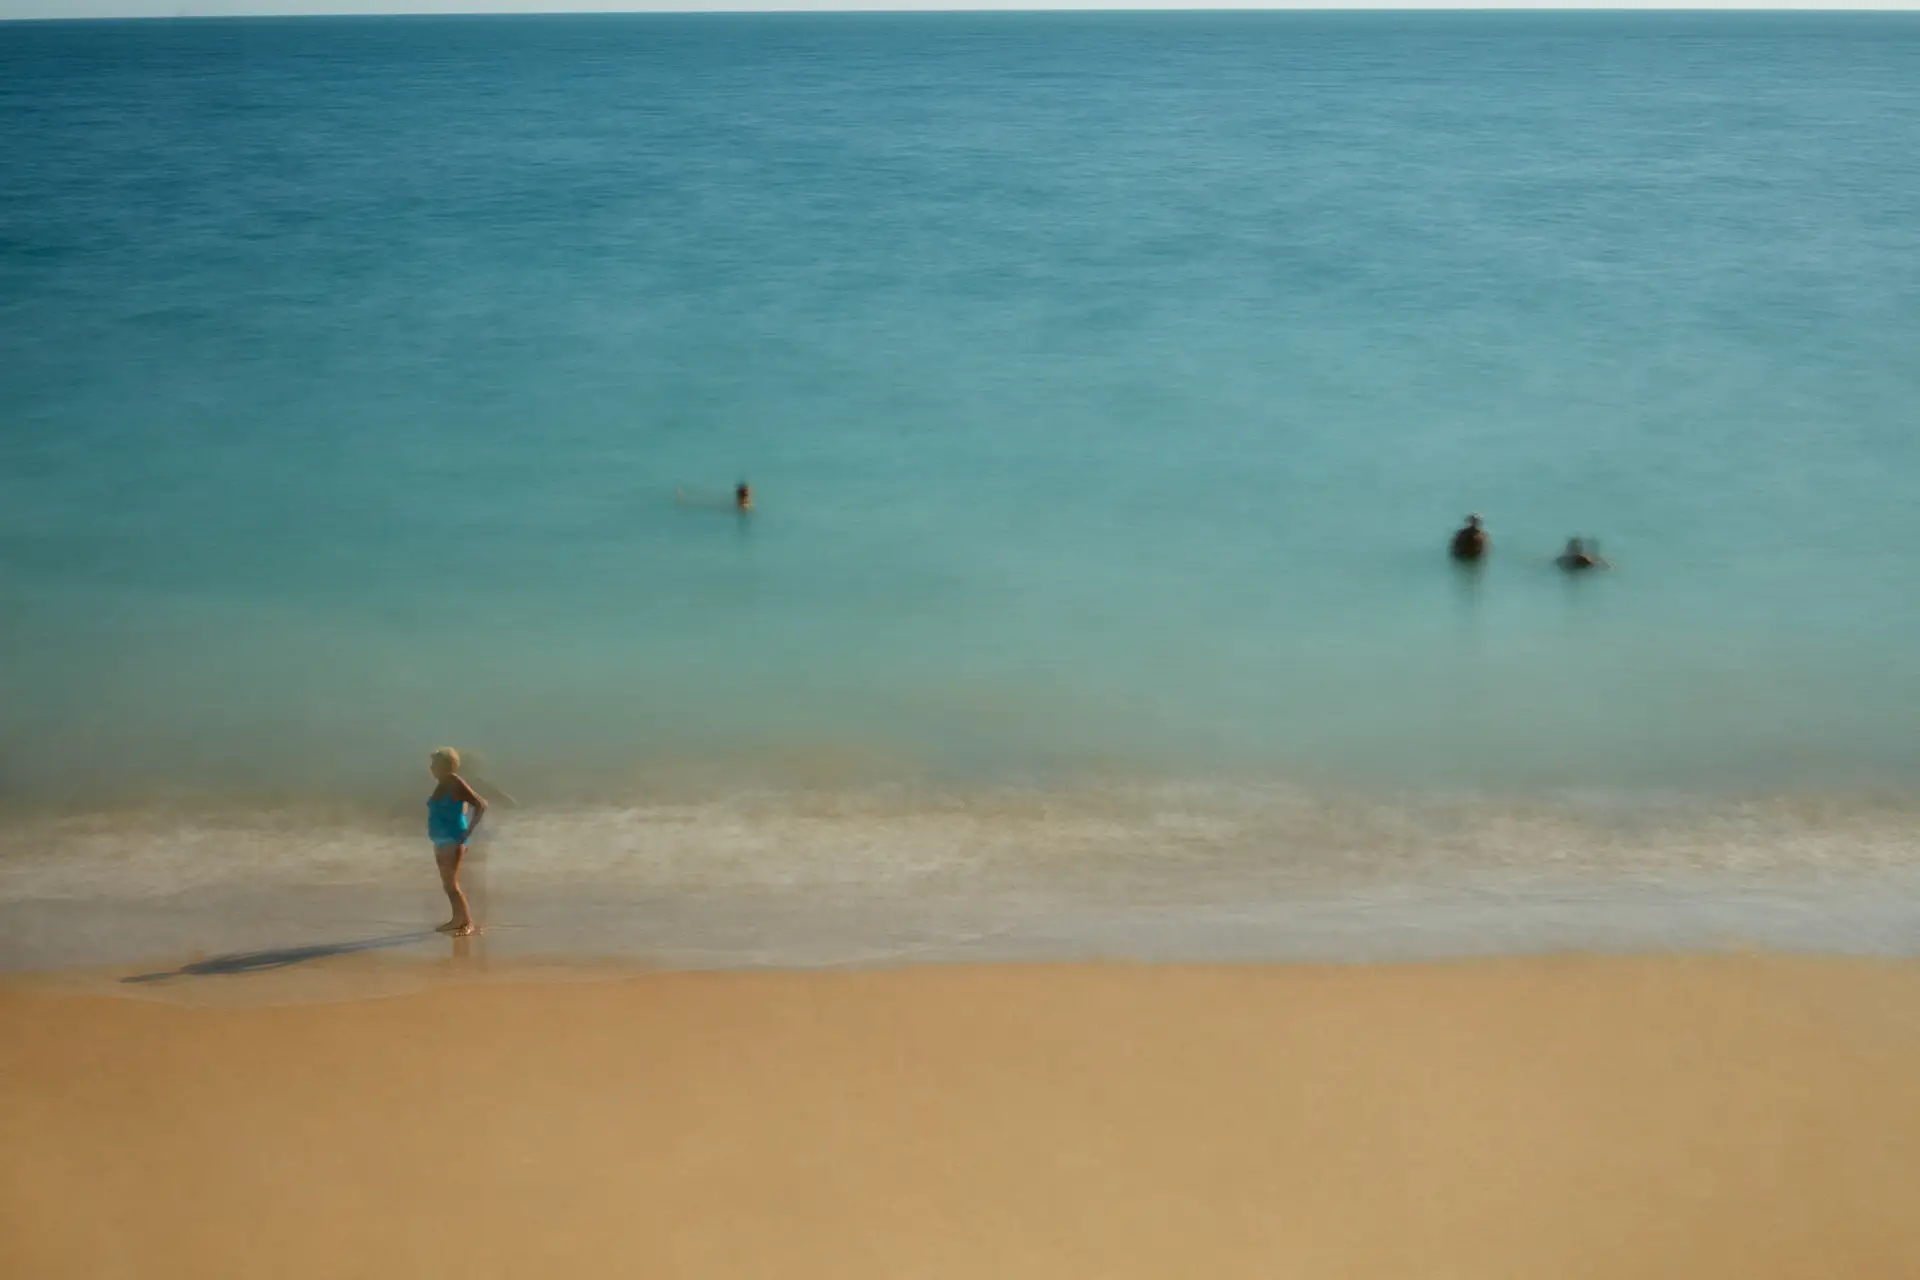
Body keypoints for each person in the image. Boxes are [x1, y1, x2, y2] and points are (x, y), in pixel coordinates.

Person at [426, 747, 488, 936]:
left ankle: (467, 922)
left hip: (453, 838)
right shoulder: (442, 783)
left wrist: (467, 832)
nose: (431, 767)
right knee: (447, 884)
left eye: (434, 763)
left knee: (452, 883)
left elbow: (481, 804)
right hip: (441, 839)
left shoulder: (453, 781)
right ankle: (456, 919)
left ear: (444, 765)